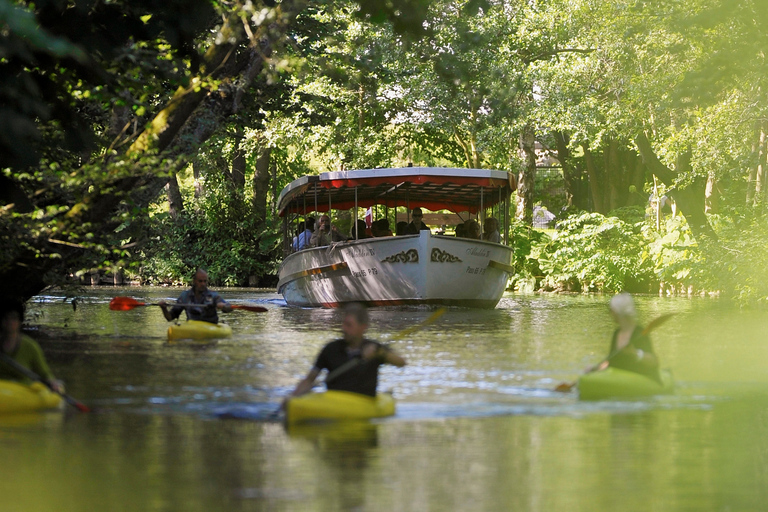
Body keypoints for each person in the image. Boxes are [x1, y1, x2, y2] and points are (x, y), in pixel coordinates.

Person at [286, 303, 406, 400]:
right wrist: (293, 398)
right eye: (343, 324)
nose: (344, 328)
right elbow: (309, 379)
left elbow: (401, 362)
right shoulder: (330, 349)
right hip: (335, 403)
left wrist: (380, 353)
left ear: (362, 327)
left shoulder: (374, 348)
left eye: (349, 325)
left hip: (363, 403)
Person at [590, 292, 661, 382]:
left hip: (641, 378)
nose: (610, 313)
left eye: (611, 310)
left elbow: (654, 362)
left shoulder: (640, 333)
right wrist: (594, 370)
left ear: (617, 312)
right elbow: (611, 360)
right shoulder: (616, 333)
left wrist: (635, 353)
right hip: (620, 377)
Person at [0, 298, 62, 392]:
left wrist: (52, 383)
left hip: (22, 391)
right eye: (6, 318)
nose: (9, 322)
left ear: (19, 321)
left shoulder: (30, 346)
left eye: (13, 318)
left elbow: (44, 374)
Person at [159, 268, 232, 324]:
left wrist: (224, 306)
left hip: (210, 327)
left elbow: (228, 308)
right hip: (192, 328)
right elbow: (170, 317)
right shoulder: (185, 296)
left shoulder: (213, 296)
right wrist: (164, 309)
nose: (203, 284)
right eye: (200, 281)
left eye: (205, 281)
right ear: (194, 281)